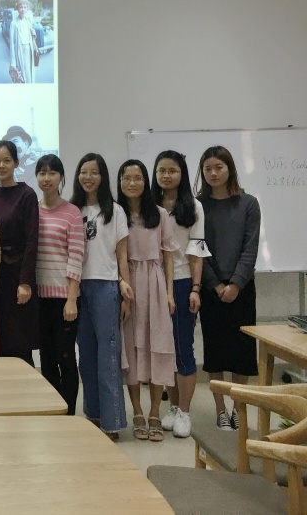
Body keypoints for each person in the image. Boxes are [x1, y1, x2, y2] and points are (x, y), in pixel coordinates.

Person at [196, 146, 261, 431]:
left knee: (242, 353)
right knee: (215, 352)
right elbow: (198, 248)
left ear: (230, 169)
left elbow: (250, 247)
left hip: (242, 287)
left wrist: (235, 283)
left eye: (218, 167)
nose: (213, 173)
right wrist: (216, 284)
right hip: (211, 287)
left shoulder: (249, 203)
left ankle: (238, 408)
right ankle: (220, 410)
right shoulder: (198, 205)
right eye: (208, 168)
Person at [70, 153, 132, 440]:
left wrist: (125, 289)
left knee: (108, 357)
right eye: (84, 172)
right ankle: (93, 415)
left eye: (94, 172)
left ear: (103, 177)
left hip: (106, 286)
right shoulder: (72, 209)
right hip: (77, 287)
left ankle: (112, 422)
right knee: (86, 358)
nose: (88, 177)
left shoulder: (115, 211)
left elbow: (122, 255)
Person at [117, 159, 178, 442]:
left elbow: (168, 256)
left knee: (158, 346)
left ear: (145, 181)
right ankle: (137, 411)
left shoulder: (160, 214)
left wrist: (169, 293)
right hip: (128, 284)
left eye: (138, 177)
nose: (132, 183)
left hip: (154, 283)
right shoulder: (116, 213)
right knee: (131, 349)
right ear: (119, 182)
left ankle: (155, 411)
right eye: (126, 178)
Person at [151, 150, 211, 439]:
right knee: (165, 349)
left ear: (182, 174)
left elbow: (196, 252)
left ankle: (185, 412)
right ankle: (173, 407)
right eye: (161, 170)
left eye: (172, 170)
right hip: (154, 282)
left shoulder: (193, 206)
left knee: (183, 347)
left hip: (183, 282)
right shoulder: (151, 205)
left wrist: (196, 288)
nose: (166, 175)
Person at [35, 154, 85, 415]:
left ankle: (69, 414)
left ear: (61, 177)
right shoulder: (33, 210)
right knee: (46, 359)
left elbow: (76, 257)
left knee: (65, 358)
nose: (47, 178)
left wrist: (71, 299)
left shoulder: (72, 213)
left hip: (65, 298)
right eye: (42, 173)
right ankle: (53, 413)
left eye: (52, 173)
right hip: (39, 299)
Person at [0, 140, 39, 365]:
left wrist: (25, 282)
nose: (1, 165)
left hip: (17, 279)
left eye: (7, 160)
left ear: (16, 162)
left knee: (19, 344)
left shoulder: (27, 195)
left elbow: (32, 242)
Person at [9, 0, 40, 84]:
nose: (23, 10)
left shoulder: (28, 21)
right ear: (17, 9)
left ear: (27, 9)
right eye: (21, 7)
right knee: (21, 77)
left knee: (29, 74)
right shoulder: (13, 24)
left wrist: (34, 34)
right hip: (20, 53)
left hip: (29, 52)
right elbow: (12, 45)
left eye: (25, 7)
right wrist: (13, 63)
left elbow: (32, 37)